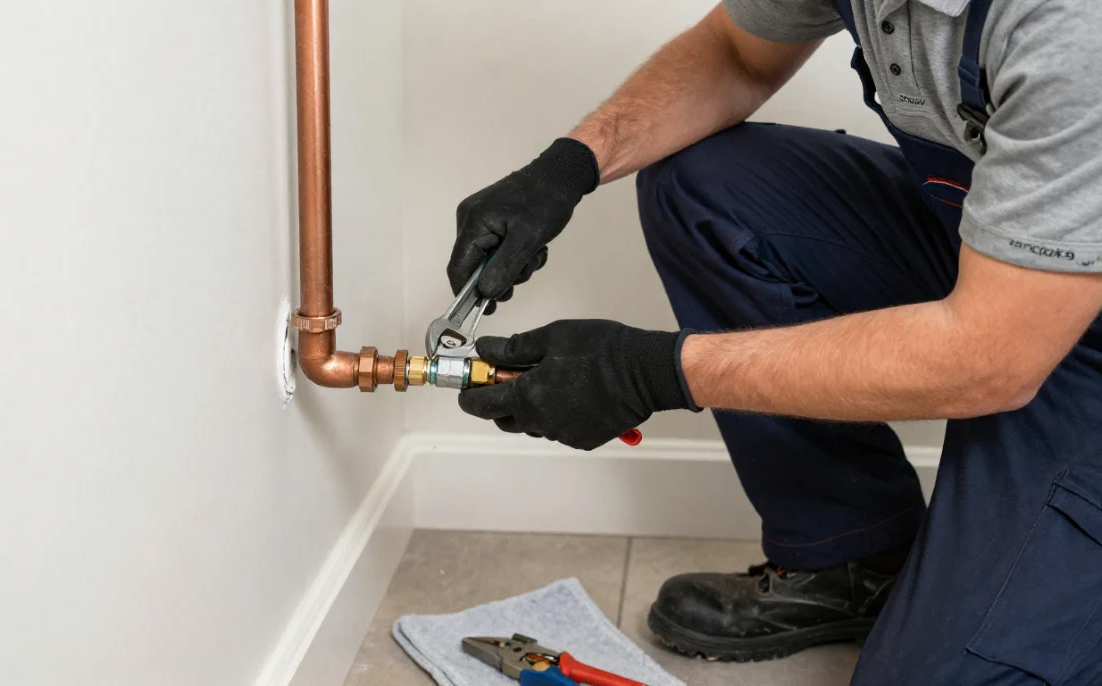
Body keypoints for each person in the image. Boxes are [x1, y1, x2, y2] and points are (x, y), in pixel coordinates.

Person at [448, 1, 1102, 684]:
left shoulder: (1070, 26)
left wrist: (650, 374)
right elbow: (735, 52)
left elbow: (988, 359)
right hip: (1006, 266)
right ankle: (853, 556)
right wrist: (568, 167)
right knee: (706, 193)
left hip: (1053, 344)